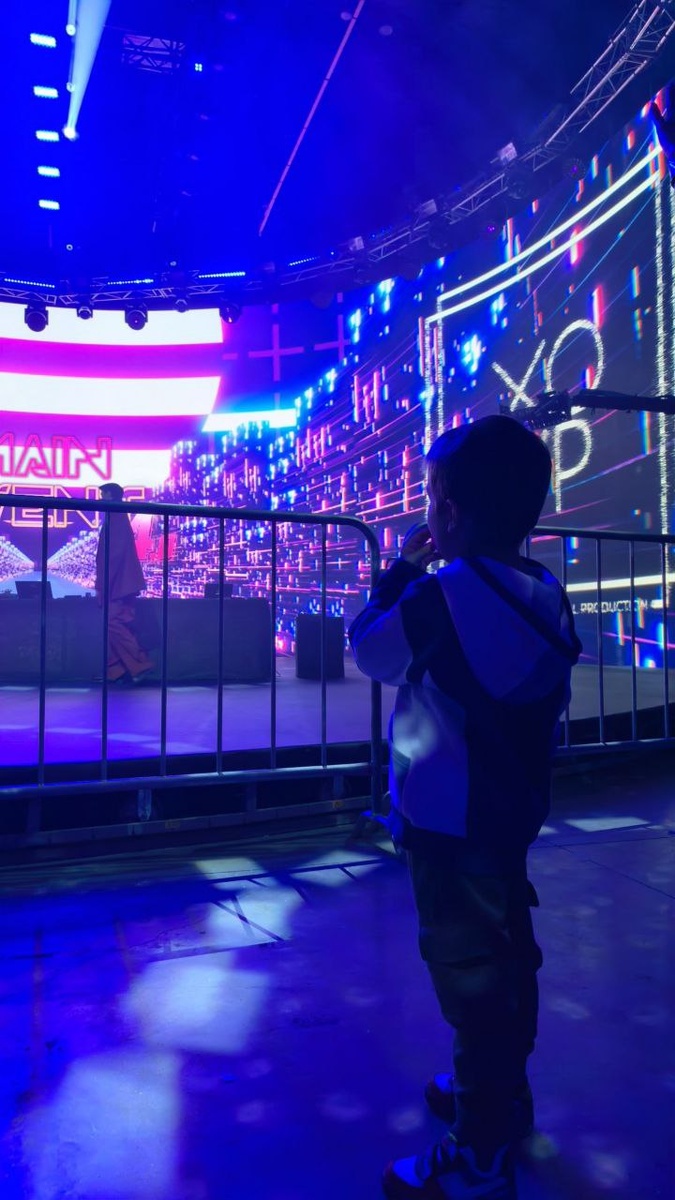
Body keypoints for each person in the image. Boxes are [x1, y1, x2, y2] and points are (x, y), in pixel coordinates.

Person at [349, 415, 581, 1200]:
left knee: (469, 982)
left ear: (447, 510)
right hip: (510, 814)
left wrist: (396, 574)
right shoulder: (544, 594)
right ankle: (502, 1097)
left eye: (429, 495)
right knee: (509, 955)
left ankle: (479, 1154)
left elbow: (368, 648)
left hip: (448, 823)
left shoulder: (437, 598)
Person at [95, 482, 154, 684]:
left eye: (103, 494)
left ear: (110, 495)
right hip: (120, 582)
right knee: (115, 622)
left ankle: (140, 664)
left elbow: (114, 555)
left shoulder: (116, 515)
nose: (100, 498)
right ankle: (116, 670)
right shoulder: (116, 516)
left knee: (113, 622)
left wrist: (104, 584)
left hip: (117, 583)